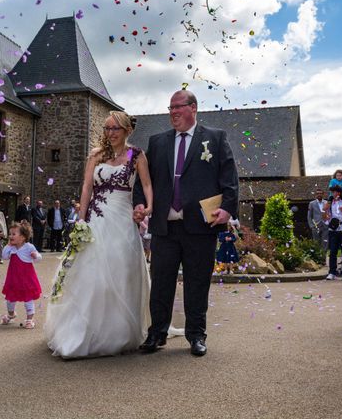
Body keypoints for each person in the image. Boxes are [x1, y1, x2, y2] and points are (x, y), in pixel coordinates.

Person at [134, 89, 239, 357]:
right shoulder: (157, 142)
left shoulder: (215, 139)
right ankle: (157, 333)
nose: (173, 113)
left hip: (201, 227)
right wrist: (139, 204)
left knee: (197, 282)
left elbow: (229, 178)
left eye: (177, 107)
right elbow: (144, 182)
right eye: (170, 109)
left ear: (193, 107)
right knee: (161, 283)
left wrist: (227, 209)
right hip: (165, 228)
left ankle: (196, 335)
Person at [45, 111, 153, 358]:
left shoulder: (135, 155)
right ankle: (81, 330)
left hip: (122, 220)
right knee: (89, 272)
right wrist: (81, 220)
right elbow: (87, 187)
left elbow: (146, 185)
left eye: (115, 128)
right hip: (95, 219)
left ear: (127, 130)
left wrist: (148, 208)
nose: (110, 133)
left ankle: (117, 333)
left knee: (120, 269)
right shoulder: (96, 155)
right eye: (107, 128)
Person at [0, 222, 42, 329]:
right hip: (13, 279)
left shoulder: (29, 247)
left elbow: (39, 258)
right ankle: (11, 314)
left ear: (22, 237)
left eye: (14, 234)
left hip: (26, 279)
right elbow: (4, 256)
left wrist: (35, 256)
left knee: (28, 299)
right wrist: (8, 245)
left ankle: (29, 319)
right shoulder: (11, 248)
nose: (10, 236)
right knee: (10, 300)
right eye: (10, 234)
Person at [324, 185, 342, 281]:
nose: (333, 193)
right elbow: (324, 209)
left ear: (339, 193)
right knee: (333, 251)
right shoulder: (330, 201)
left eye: (335, 192)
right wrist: (329, 201)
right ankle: (332, 272)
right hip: (333, 229)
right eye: (332, 192)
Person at [307, 188, 328, 253]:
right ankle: (318, 259)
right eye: (318, 193)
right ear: (315, 195)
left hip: (325, 226)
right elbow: (309, 216)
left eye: (321, 193)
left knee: (325, 242)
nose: (319, 195)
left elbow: (329, 213)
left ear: (323, 194)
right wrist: (311, 226)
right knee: (316, 243)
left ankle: (323, 258)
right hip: (316, 226)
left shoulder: (327, 203)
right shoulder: (312, 203)